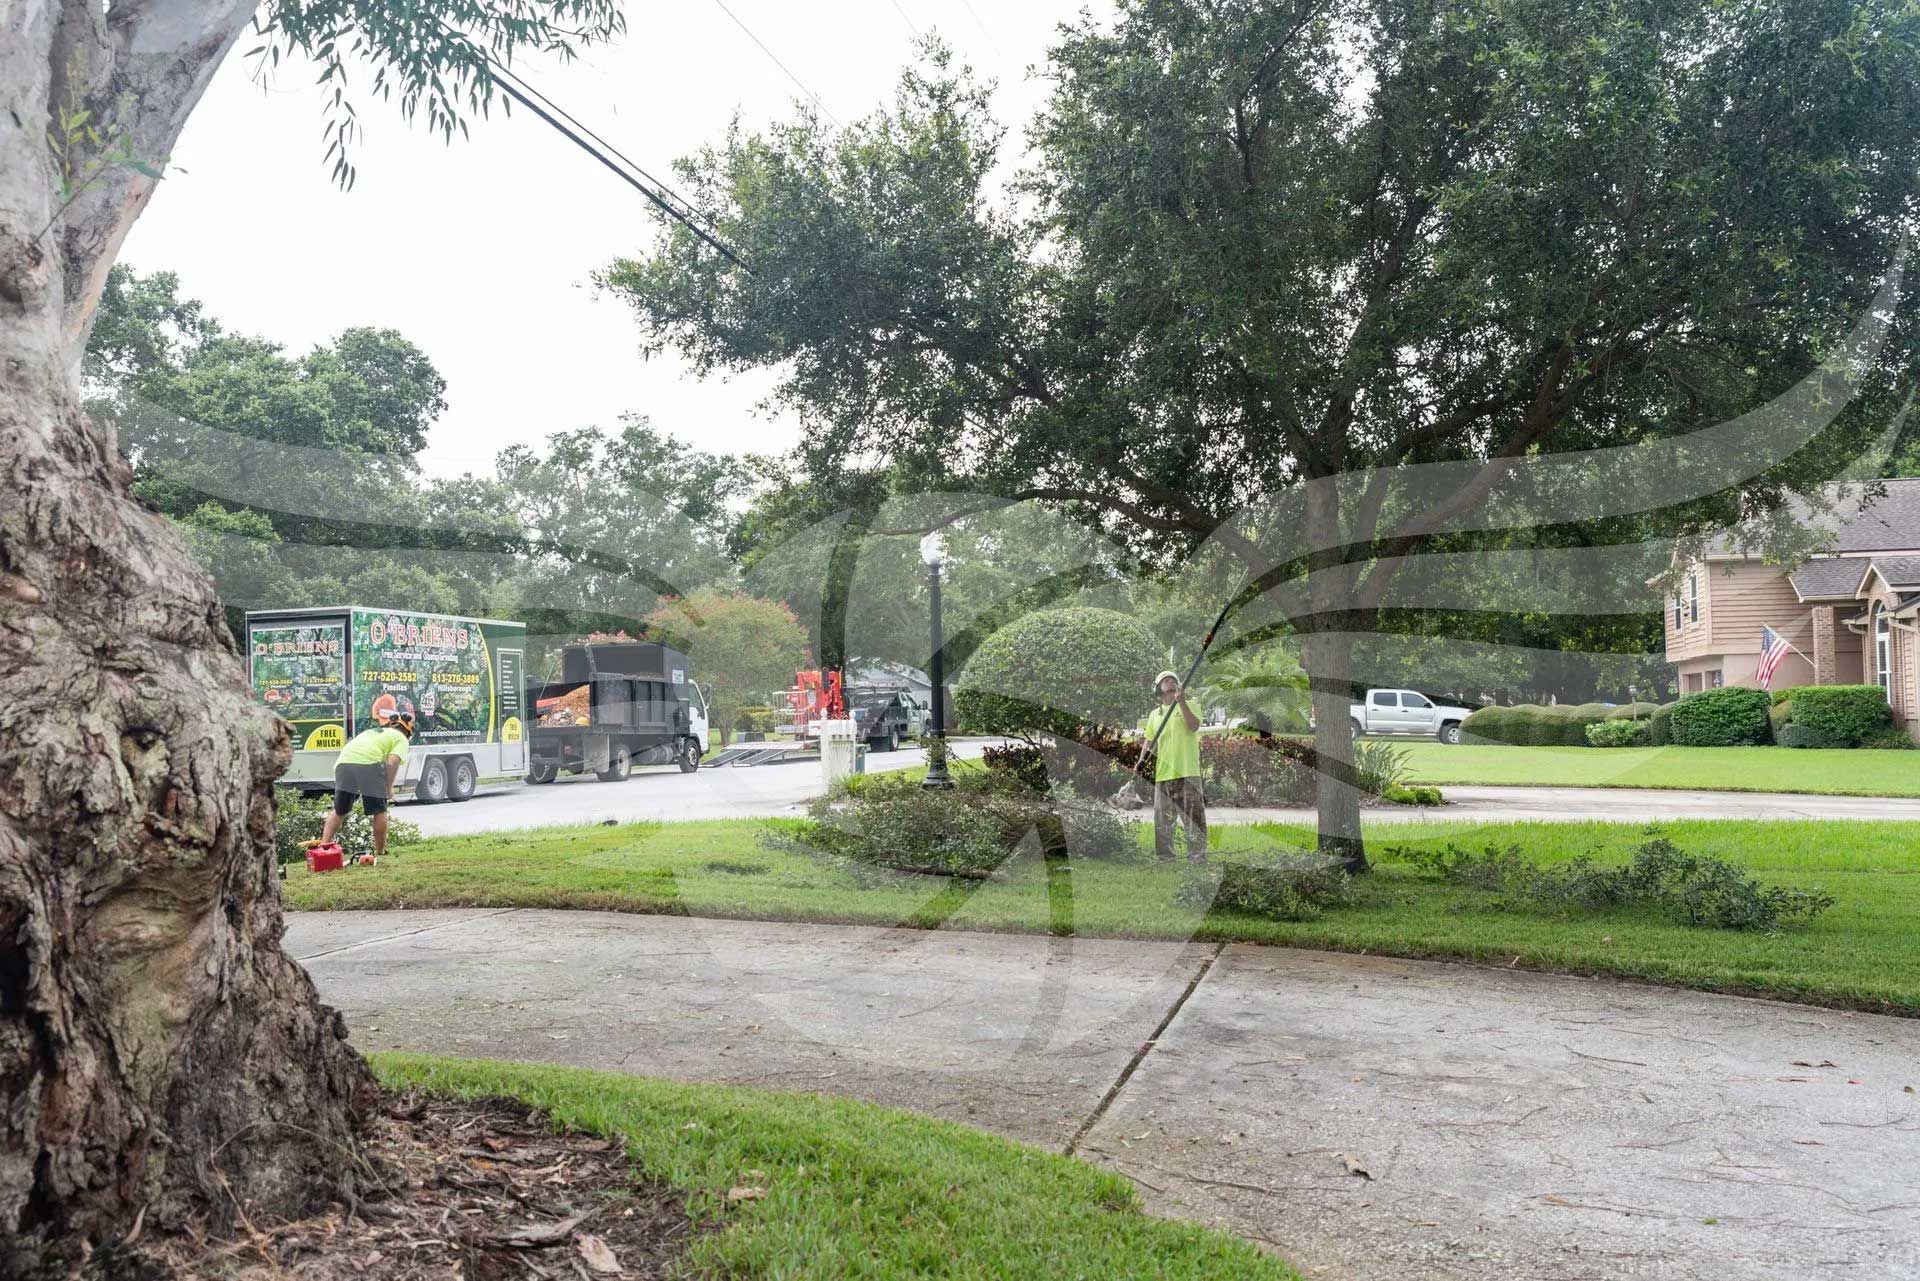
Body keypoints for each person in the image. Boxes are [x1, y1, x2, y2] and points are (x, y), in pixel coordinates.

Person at [320, 712, 414, 858]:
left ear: (391, 725)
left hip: (343, 763)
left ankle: (323, 848)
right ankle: (380, 852)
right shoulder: (401, 738)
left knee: (339, 810)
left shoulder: (372, 732)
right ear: (408, 733)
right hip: (368, 764)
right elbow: (392, 762)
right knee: (379, 810)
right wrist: (388, 787)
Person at [1139, 670, 1206, 863]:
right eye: (1165, 680)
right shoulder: (1154, 715)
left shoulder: (1190, 705)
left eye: (1173, 680)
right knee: (1162, 820)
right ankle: (1165, 858)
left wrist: (1182, 702)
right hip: (1163, 774)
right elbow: (1149, 741)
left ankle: (1197, 858)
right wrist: (1140, 761)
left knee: (1193, 819)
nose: (1170, 682)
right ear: (1158, 688)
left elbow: (1193, 726)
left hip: (1187, 772)